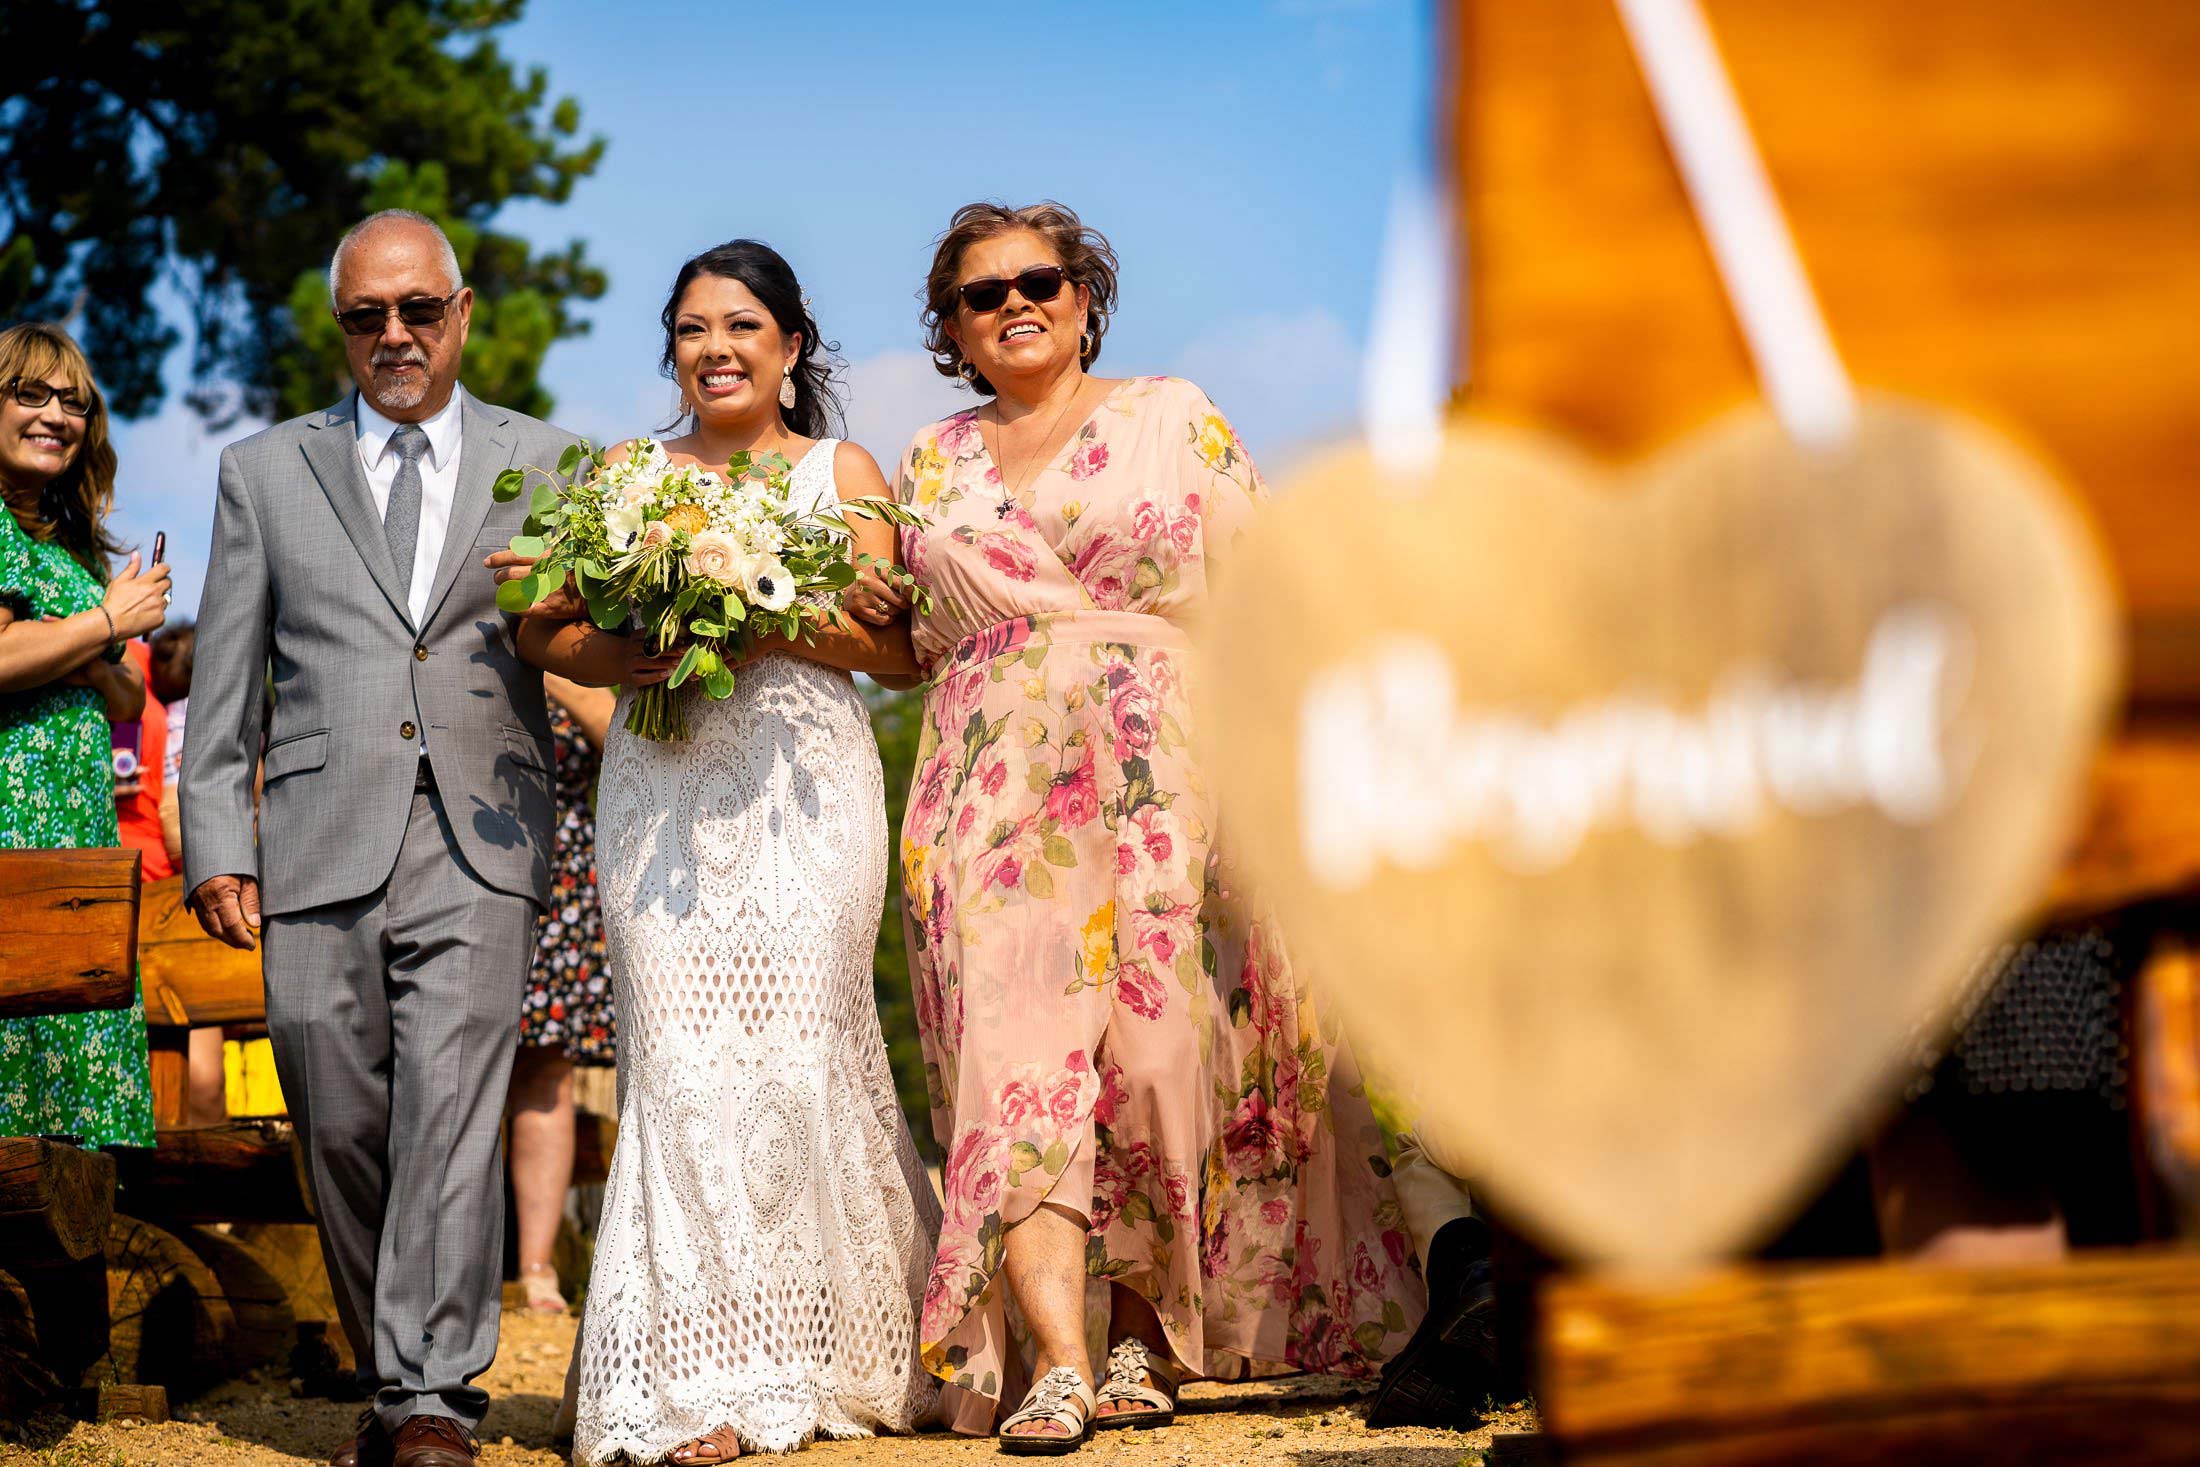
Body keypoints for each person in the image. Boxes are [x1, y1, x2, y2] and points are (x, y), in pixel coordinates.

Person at [844, 201, 1424, 1451]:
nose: (1014, 304)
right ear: (948, 329)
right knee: (1012, 1058)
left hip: (1165, 770)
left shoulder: (1174, 414)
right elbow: (896, 649)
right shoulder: (930, 460)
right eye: (979, 293)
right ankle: (1056, 1361)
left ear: (1085, 294)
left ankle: (1144, 1343)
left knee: (1156, 1067)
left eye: (1038, 280)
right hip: (985, 786)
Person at [509, 240, 941, 1464]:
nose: (716, 348)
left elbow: (896, 646)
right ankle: (697, 1379)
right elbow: (547, 633)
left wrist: (755, 615)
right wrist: (628, 653)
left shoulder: (838, 471)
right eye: (693, 328)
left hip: (805, 795)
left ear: (791, 347)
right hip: (662, 798)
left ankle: (825, 1349)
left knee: (800, 1052)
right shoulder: (625, 475)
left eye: (742, 325)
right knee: (685, 1067)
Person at [181, 208, 578, 1467]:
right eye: (368, 316)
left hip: (485, 828)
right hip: (312, 829)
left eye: (418, 310)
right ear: (342, 328)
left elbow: (583, 646)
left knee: (453, 1109)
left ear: (460, 315)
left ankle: (431, 1399)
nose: (395, 334)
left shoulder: (552, 462)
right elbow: (227, 671)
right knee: (335, 1105)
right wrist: (215, 842)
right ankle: (390, 1360)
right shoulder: (263, 470)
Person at [0, 322, 170, 1149]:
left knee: (70, 1131)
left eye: (73, 401)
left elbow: (129, 691)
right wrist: (103, 622)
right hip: (9, 828)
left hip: (76, 832)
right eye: (30, 393)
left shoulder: (67, 547)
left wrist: (86, 652)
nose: (56, 415)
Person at [507, 672, 619, 1316]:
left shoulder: (589, 631)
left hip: (563, 870)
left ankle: (536, 1266)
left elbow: (623, 733)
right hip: (459, 854)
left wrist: (550, 665)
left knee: (548, 1071)